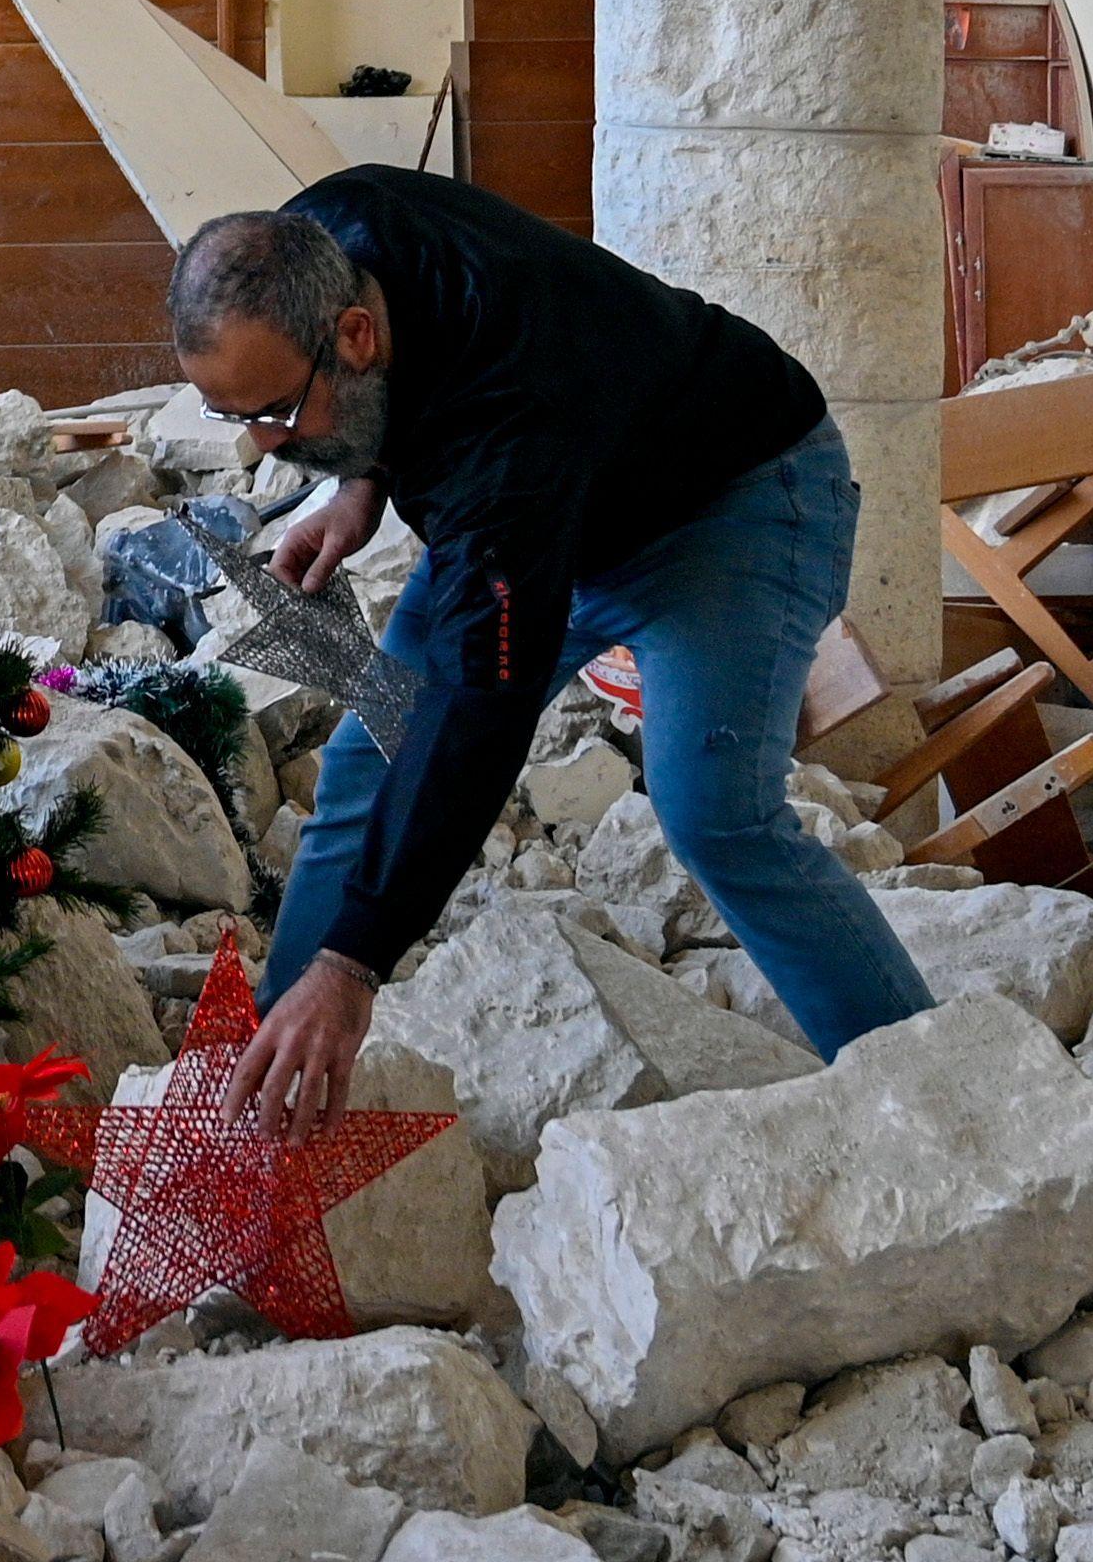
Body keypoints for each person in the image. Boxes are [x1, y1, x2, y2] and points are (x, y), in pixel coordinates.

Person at [172, 177, 934, 1131]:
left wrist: (355, 963)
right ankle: (272, 1083)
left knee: (714, 811)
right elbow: (377, 420)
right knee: (371, 756)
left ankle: (936, 1099)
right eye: (232, 414)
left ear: (356, 336)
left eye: (275, 411)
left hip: (733, 499)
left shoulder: (508, 418)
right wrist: (355, 484)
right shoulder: (322, 233)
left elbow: (478, 715)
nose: (255, 446)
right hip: (571, 496)